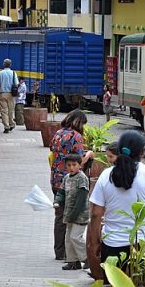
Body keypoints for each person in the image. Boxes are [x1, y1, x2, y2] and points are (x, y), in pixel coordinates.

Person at [87, 130, 145, 282]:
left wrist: (95, 242)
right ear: (142, 152)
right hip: (142, 246)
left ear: (119, 150)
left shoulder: (106, 175)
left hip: (112, 244)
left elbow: (96, 213)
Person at [49, 109, 91, 260]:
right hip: (70, 181)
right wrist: (90, 155)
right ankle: (72, 254)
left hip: (55, 178)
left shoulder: (59, 133)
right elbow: (78, 162)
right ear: (79, 122)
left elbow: (52, 150)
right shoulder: (76, 136)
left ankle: (59, 252)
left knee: (59, 216)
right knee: (71, 215)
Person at [53, 154, 90, 270]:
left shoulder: (82, 178)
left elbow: (82, 198)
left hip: (80, 215)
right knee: (68, 238)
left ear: (80, 165)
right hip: (69, 214)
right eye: (69, 165)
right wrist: (57, 201)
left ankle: (87, 258)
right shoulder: (67, 178)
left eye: (74, 165)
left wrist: (74, 213)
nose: (71, 168)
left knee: (75, 237)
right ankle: (73, 261)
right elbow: (61, 193)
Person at [0, 59, 18, 133]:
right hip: (11, 94)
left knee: (4, 111)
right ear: (10, 65)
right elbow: (16, 84)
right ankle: (11, 124)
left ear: (3, 65)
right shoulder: (14, 73)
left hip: (2, 93)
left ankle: (6, 127)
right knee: (11, 110)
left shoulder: (0, 73)